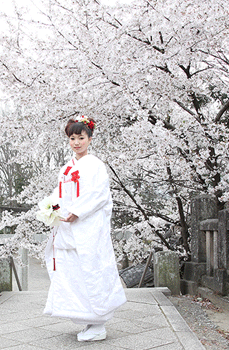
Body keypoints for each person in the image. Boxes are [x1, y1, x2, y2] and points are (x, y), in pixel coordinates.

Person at [43, 115, 127, 342]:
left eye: (81, 137)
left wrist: (78, 211)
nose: (77, 142)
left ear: (89, 138)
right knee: (74, 273)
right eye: (72, 138)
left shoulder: (96, 165)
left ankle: (99, 323)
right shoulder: (66, 168)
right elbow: (58, 194)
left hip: (88, 228)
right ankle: (87, 319)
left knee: (93, 270)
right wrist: (53, 208)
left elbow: (99, 194)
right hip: (68, 229)